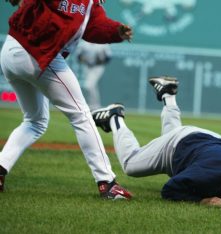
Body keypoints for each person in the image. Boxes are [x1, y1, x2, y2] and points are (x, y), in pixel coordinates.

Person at [91, 76, 221, 212]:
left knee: (173, 132)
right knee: (131, 165)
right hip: (177, 147)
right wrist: (202, 200)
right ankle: (114, 117)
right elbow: (170, 189)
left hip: (208, 139)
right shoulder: (206, 173)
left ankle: (168, 94)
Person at [0, 0, 134, 200]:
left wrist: (115, 31)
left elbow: (93, 26)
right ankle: (107, 183)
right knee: (82, 116)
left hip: (12, 54)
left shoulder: (90, 3)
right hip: (35, 53)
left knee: (35, 121)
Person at [76, 41, 112, 109]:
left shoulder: (103, 43)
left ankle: (92, 105)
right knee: (92, 87)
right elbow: (78, 56)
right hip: (87, 66)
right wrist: (84, 59)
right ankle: (95, 105)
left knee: (88, 85)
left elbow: (108, 58)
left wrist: (101, 59)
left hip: (98, 67)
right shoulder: (84, 43)